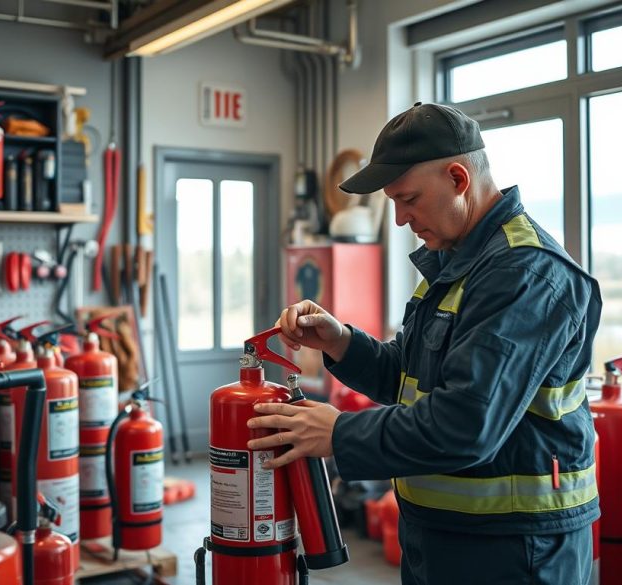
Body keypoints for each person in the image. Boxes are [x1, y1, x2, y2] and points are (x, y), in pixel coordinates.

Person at [246, 102, 603, 584]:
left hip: (514, 551)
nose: (399, 219)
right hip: (441, 536)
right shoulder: (454, 263)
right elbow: (409, 377)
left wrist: (338, 434)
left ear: (458, 178)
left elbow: (465, 423)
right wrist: (341, 342)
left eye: (408, 198)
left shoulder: (525, 274)